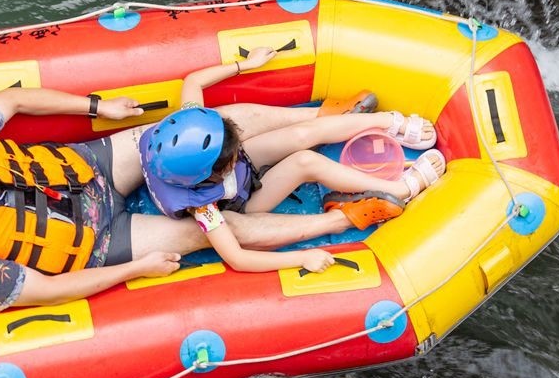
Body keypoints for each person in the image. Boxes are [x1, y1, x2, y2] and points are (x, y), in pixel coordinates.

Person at [0, 76, 385, 308]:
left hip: (85, 170)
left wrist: (95, 107)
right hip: (93, 239)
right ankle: (344, 219)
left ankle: (320, 118)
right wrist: (135, 269)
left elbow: (15, 99)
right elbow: (45, 291)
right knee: (210, 230)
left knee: (195, 127)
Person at [131, 48, 446, 274]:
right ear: (215, 170)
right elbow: (238, 259)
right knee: (305, 161)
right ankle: (399, 188)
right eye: (231, 150)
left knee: (301, 134)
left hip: (235, 174)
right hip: (240, 202)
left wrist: (244, 64)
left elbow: (193, 82)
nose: (238, 143)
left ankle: (385, 121)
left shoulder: (184, 126)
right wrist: (299, 259)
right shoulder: (204, 209)